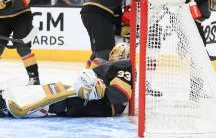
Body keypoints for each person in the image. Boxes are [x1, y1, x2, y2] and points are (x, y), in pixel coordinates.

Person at [0, 42, 132, 118]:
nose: (113, 54)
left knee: (59, 100)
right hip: (94, 98)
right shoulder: (112, 65)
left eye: (117, 52)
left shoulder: (124, 66)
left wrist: (97, 91)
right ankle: (13, 99)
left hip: (100, 103)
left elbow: (121, 93)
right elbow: (87, 73)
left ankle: (9, 109)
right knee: (54, 88)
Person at [0, 0, 40, 85]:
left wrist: (8, 3)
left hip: (21, 17)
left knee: (23, 48)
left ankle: (34, 78)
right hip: (2, 19)